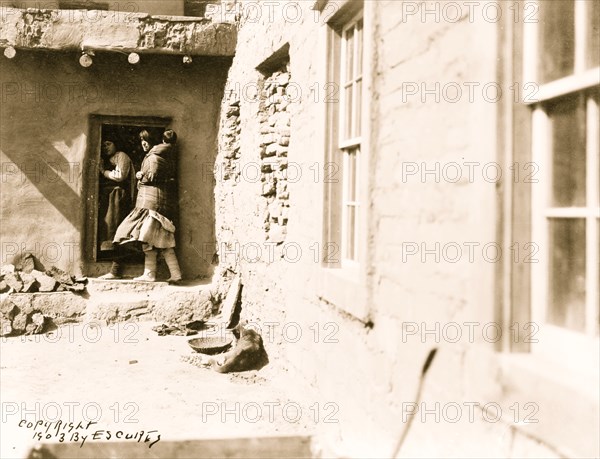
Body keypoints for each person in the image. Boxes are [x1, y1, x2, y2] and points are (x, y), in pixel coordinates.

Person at [113, 129, 182, 284]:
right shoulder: (162, 154)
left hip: (150, 203)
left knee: (153, 238)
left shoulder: (154, 156)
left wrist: (140, 176)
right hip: (154, 202)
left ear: (153, 141)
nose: (143, 143)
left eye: (146, 140)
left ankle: (165, 274)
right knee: (152, 239)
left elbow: (152, 176)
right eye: (141, 140)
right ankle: (157, 274)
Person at [98, 139, 135, 279]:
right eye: (103, 145)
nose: (105, 147)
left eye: (108, 143)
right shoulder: (106, 159)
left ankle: (116, 269)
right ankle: (112, 268)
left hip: (118, 197)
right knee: (108, 230)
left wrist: (103, 171)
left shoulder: (121, 156)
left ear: (116, 143)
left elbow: (120, 176)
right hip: (108, 198)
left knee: (117, 230)